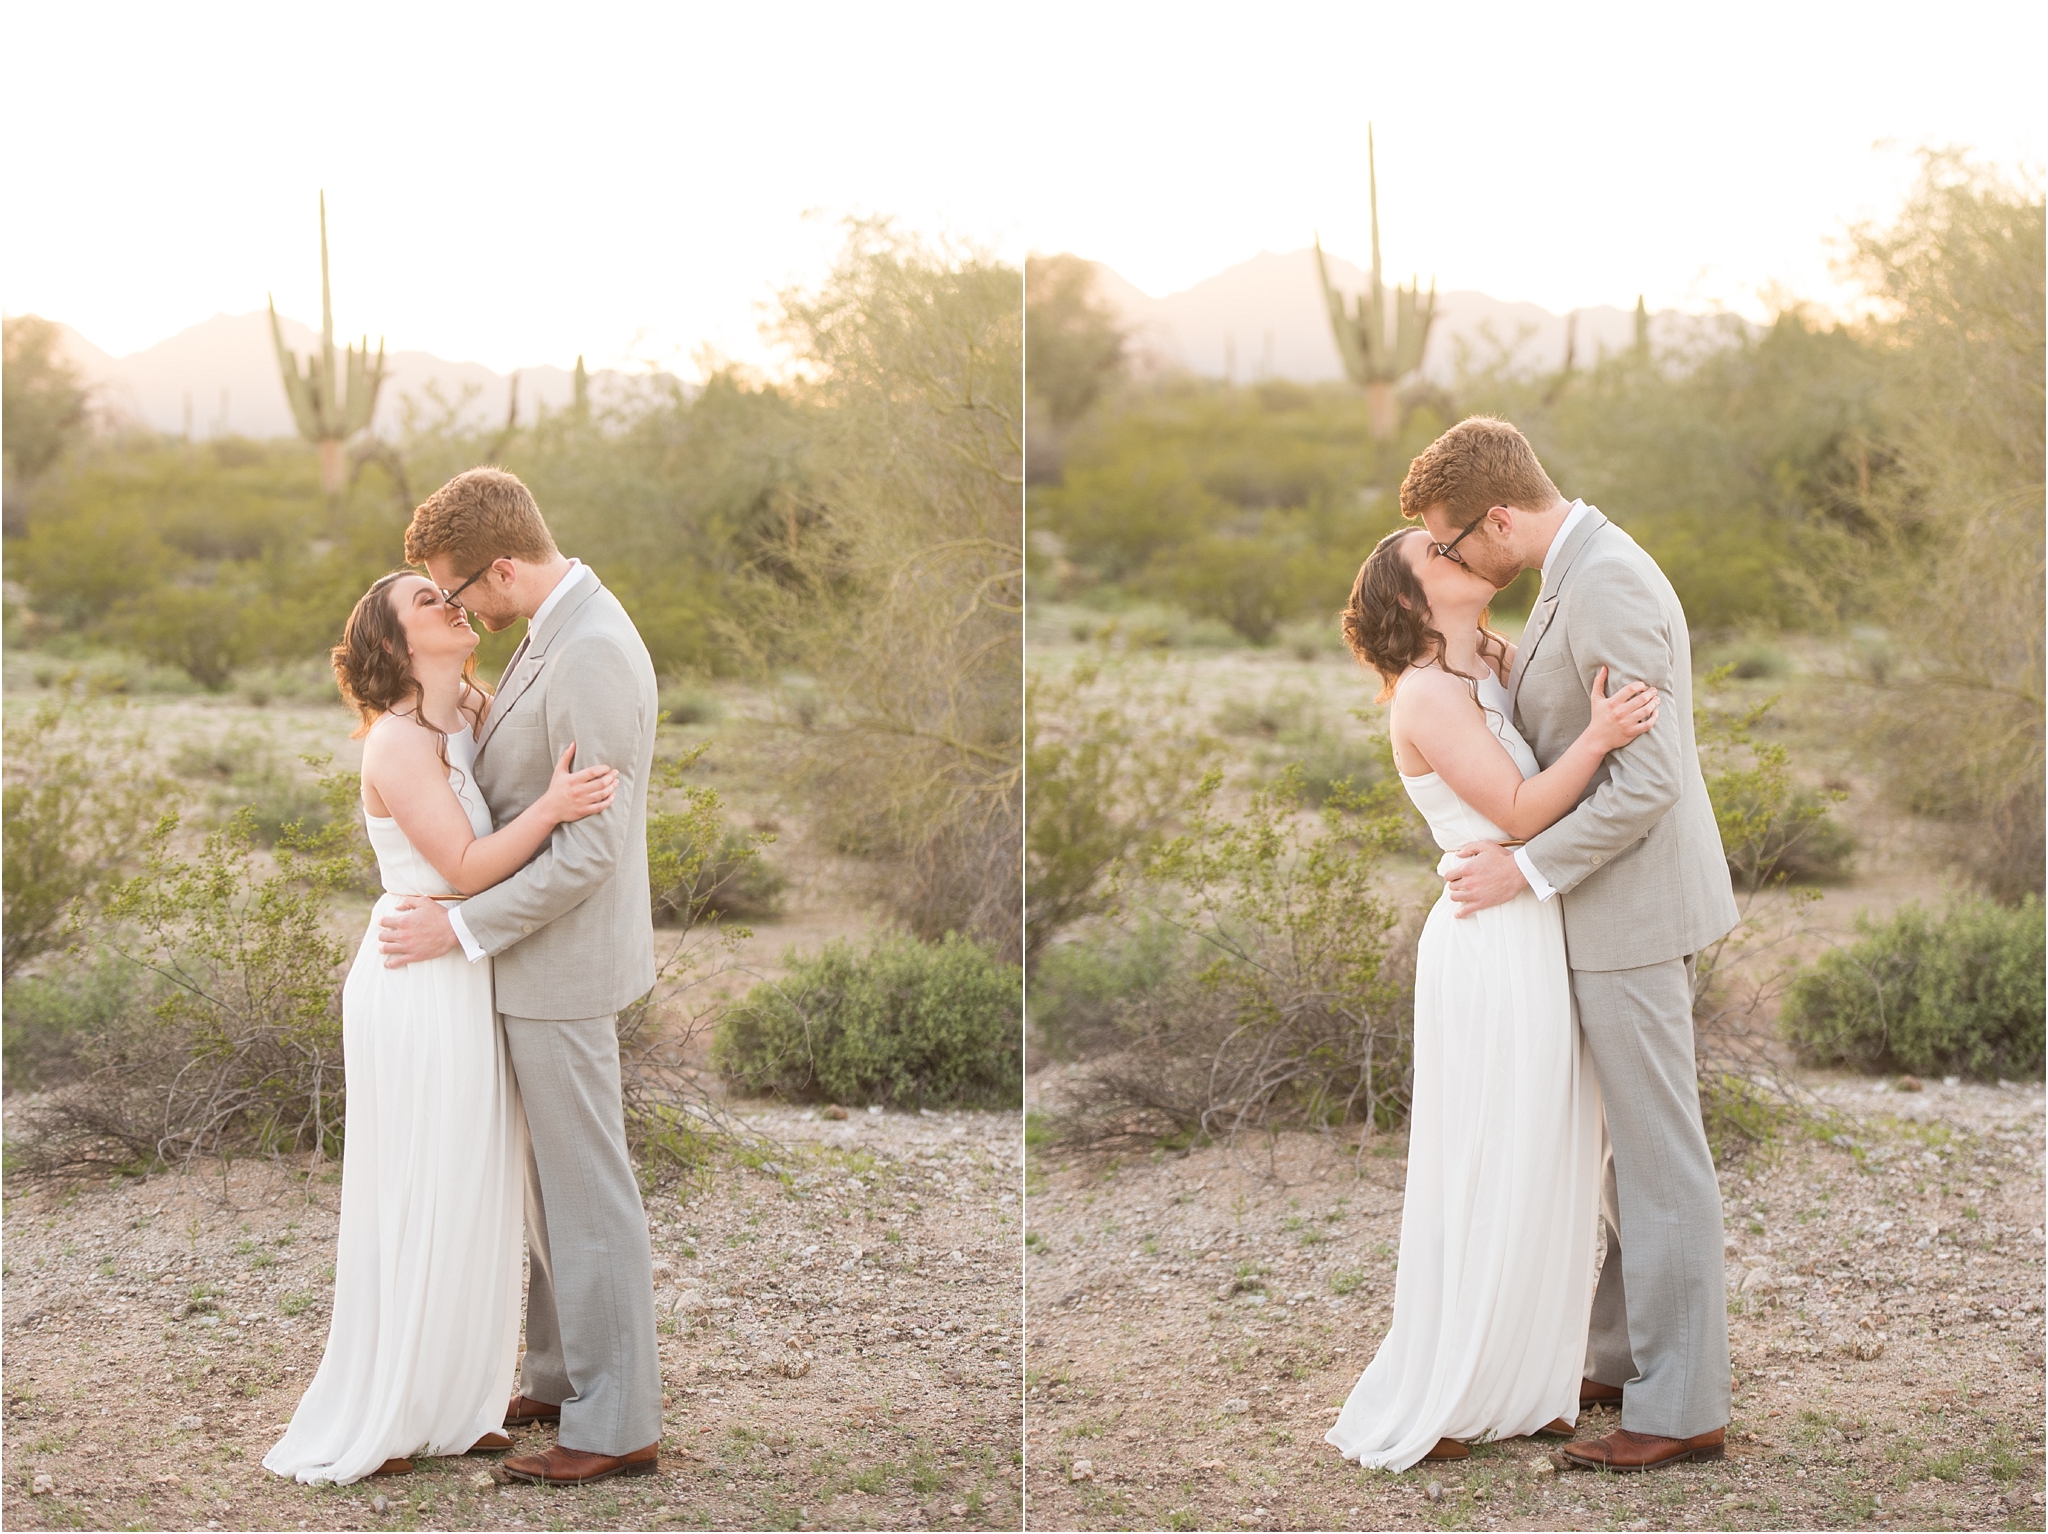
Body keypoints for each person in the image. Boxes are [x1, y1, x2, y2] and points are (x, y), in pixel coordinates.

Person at [1402, 416, 1739, 1474]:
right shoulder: (1564, 573)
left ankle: (1680, 1406)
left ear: (1498, 516)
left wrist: (1525, 868)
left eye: (1452, 543)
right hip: (1593, 913)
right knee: (1613, 1160)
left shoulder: (1606, 581)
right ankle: (1617, 1355)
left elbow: (1647, 779)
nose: (1453, 562)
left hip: (1627, 911)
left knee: (1655, 1158)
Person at [264, 570, 618, 1485]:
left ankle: (456, 1405)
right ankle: (395, 1406)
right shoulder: (396, 744)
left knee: (474, 1184)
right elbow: (460, 864)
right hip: (419, 971)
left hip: (466, 967)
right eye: (426, 600)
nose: (449, 603)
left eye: (446, 591)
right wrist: (552, 809)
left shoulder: (467, 704)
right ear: (393, 641)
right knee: (422, 1183)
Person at [1325, 519, 1659, 1470]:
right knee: (1488, 1150)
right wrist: (1599, 738)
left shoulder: (1491, 665)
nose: (1458, 554)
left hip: (1536, 923)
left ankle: (1527, 1382)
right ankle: (1450, 1390)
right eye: (1436, 556)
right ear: (1405, 599)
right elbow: (1513, 810)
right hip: (1488, 941)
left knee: (1552, 1149)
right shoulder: (1427, 694)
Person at [374, 468, 666, 1487]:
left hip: (558, 964)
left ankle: (618, 1418)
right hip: (532, 960)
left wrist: (460, 928)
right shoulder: (553, 628)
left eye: (457, 594)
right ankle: (556, 1371)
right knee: (547, 1188)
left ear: (502, 567)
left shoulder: (589, 650)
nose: (458, 614)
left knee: (586, 1191)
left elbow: (588, 855)